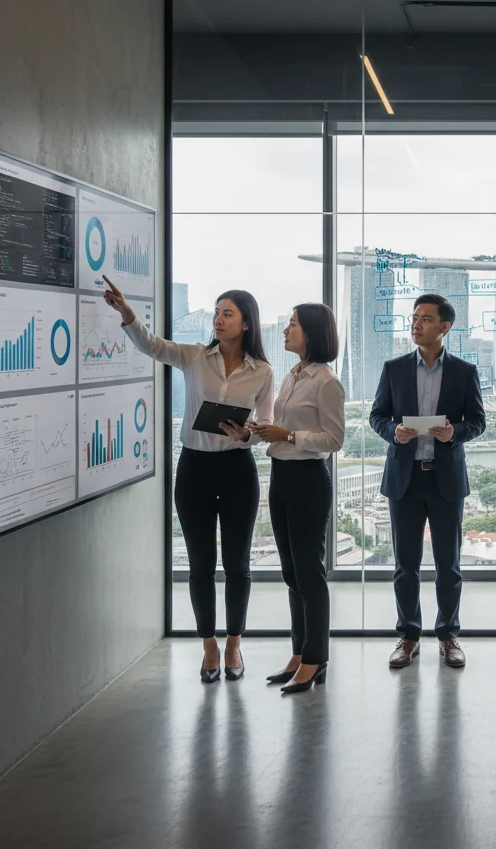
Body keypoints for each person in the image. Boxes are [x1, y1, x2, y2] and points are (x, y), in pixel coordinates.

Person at [102, 277, 273, 683]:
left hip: (237, 470)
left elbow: (265, 424)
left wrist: (247, 434)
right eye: (216, 312)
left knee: (238, 565)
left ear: (246, 323)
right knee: (200, 565)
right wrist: (127, 313)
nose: (218, 319)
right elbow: (152, 345)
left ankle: (234, 643)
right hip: (194, 468)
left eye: (227, 313)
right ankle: (209, 646)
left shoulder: (263, 371)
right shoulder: (196, 357)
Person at [369, 294, 486, 669]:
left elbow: (478, 421)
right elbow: (377, 416)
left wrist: (454, 432)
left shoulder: (465, 372)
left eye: (425, 318)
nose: (416, 324)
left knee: (448, 565)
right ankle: (408, 635)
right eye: (414, 318)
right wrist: (394, 432)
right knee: (406, 565)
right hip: (405, 478)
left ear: (445, 327)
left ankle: (449, 635)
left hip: (445, 479)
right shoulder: (394, 368)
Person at [250, 304, 344, 694]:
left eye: (292, 324)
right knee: (291, 572)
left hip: (308, 479)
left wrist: (288, 437)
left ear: (312, 333)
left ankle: (315, 658)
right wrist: (255, 433)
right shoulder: (290, 377)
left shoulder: (326, 382)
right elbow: (279, 428)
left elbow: (334, 440)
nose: (286, 329)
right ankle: (300, 652)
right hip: (282, 476)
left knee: (308, 572)